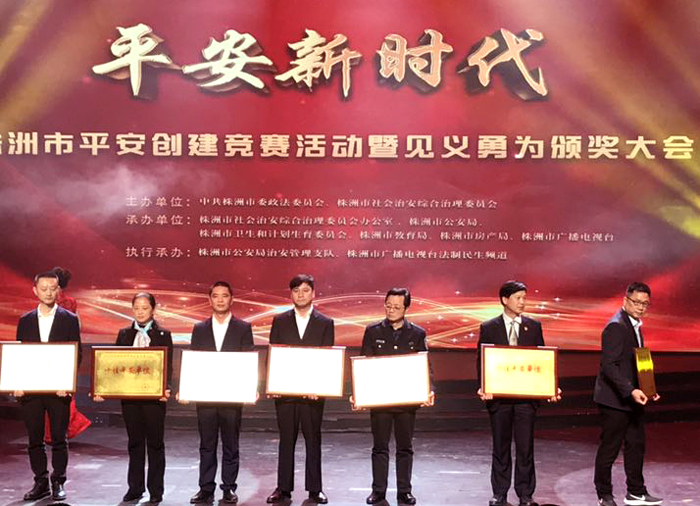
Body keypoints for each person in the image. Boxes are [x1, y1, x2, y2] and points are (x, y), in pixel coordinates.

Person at [476, 280, 559, 506]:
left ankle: (525, 494)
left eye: (524, 298)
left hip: (525, 400)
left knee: (525, 448)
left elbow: (541, 361)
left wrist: (550, 386)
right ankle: (499, 494)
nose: (522, 302)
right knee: (501, 447)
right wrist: (484, 386)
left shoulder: (533, 326)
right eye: (518, 298)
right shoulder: (489, 327)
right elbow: (482, 361)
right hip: (499, 399)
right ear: (505, 299)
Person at [94, 292, 173, 504]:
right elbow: (112, 366)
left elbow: (168, 365)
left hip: (154, 399)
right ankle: (135, 488)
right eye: (136, 308)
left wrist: (166, 389)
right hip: (130, 398)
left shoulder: (164, 334)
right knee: (135, 443)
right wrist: (103, 388)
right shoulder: (124, 334)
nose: (140, 312)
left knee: (155, 444)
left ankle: (156, 490)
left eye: (145, 308)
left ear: (153, 309)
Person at [358, 288, 434, 505]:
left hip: (406, 401)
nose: (391, 310)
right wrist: (359, 392)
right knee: (379, 447)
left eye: (397, 307)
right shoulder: (372, 331)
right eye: (388, 306)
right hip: (380, 400)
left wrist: (429, 389)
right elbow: (363, 364)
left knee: (405, 448)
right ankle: (378, 491)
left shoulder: (417, 333)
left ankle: (404, 491)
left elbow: (425, 365)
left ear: (406, 308)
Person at [266, 274, 334, 504]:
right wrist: (272, 383)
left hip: (313, 393)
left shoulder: (325, 322)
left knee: (313, 440)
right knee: (286, 439)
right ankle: (283, 489)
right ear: (291, 294)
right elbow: (274, 353)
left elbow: (327, 359)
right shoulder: (280, 320)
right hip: (285, 392)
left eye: (305, 290)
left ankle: (315, 489)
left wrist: (321, 386)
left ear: (313, 293)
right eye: (296, 291)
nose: (301, 295)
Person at [15, 271, 82, 502]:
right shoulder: (25, 320)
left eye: (53, 288)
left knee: (59, 438)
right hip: (31, 390)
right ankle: (40, 481)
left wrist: (68, 383)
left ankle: (58, 481)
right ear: (35, 290)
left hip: (58, 389)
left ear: (59, 290)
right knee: (35, 439)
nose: (48, 292)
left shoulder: (69, 319)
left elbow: (76, 353)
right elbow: (20, 355)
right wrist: (17, 383)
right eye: (43, 288)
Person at [593, 282, 662, 506]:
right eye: (636, 302)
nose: (641, 307)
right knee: (610, 449)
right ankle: (604, 495)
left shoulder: (635, 325)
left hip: (635, 398)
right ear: (625, 301)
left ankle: (636, 492)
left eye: (645, 304)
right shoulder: (616, 326)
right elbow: (609, 366)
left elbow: (637, 361)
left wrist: (649, 389)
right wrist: (630, 390)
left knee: (636, 445)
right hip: (614, 400)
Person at [187, 281, 255, 504]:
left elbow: (248, 361)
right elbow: (194, 362)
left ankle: (228, 488)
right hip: (205, 397)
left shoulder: (243, 327)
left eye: (224, 295)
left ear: (231, 299)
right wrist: (187, 388)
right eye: (215, 296)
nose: (220, 300)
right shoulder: (199, 328)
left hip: (232, 397)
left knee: (230, 444)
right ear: (210, 300)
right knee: (206, 445)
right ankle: (206, 488)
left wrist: (250, 388)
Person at [44, 266, 90, 443]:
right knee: (65, 393)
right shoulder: (71, 302)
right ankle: (63, 430)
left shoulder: (46, 299)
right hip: (68, 351)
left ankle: (52, 433)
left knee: (48, 392)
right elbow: (79, 326)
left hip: (49, 351)